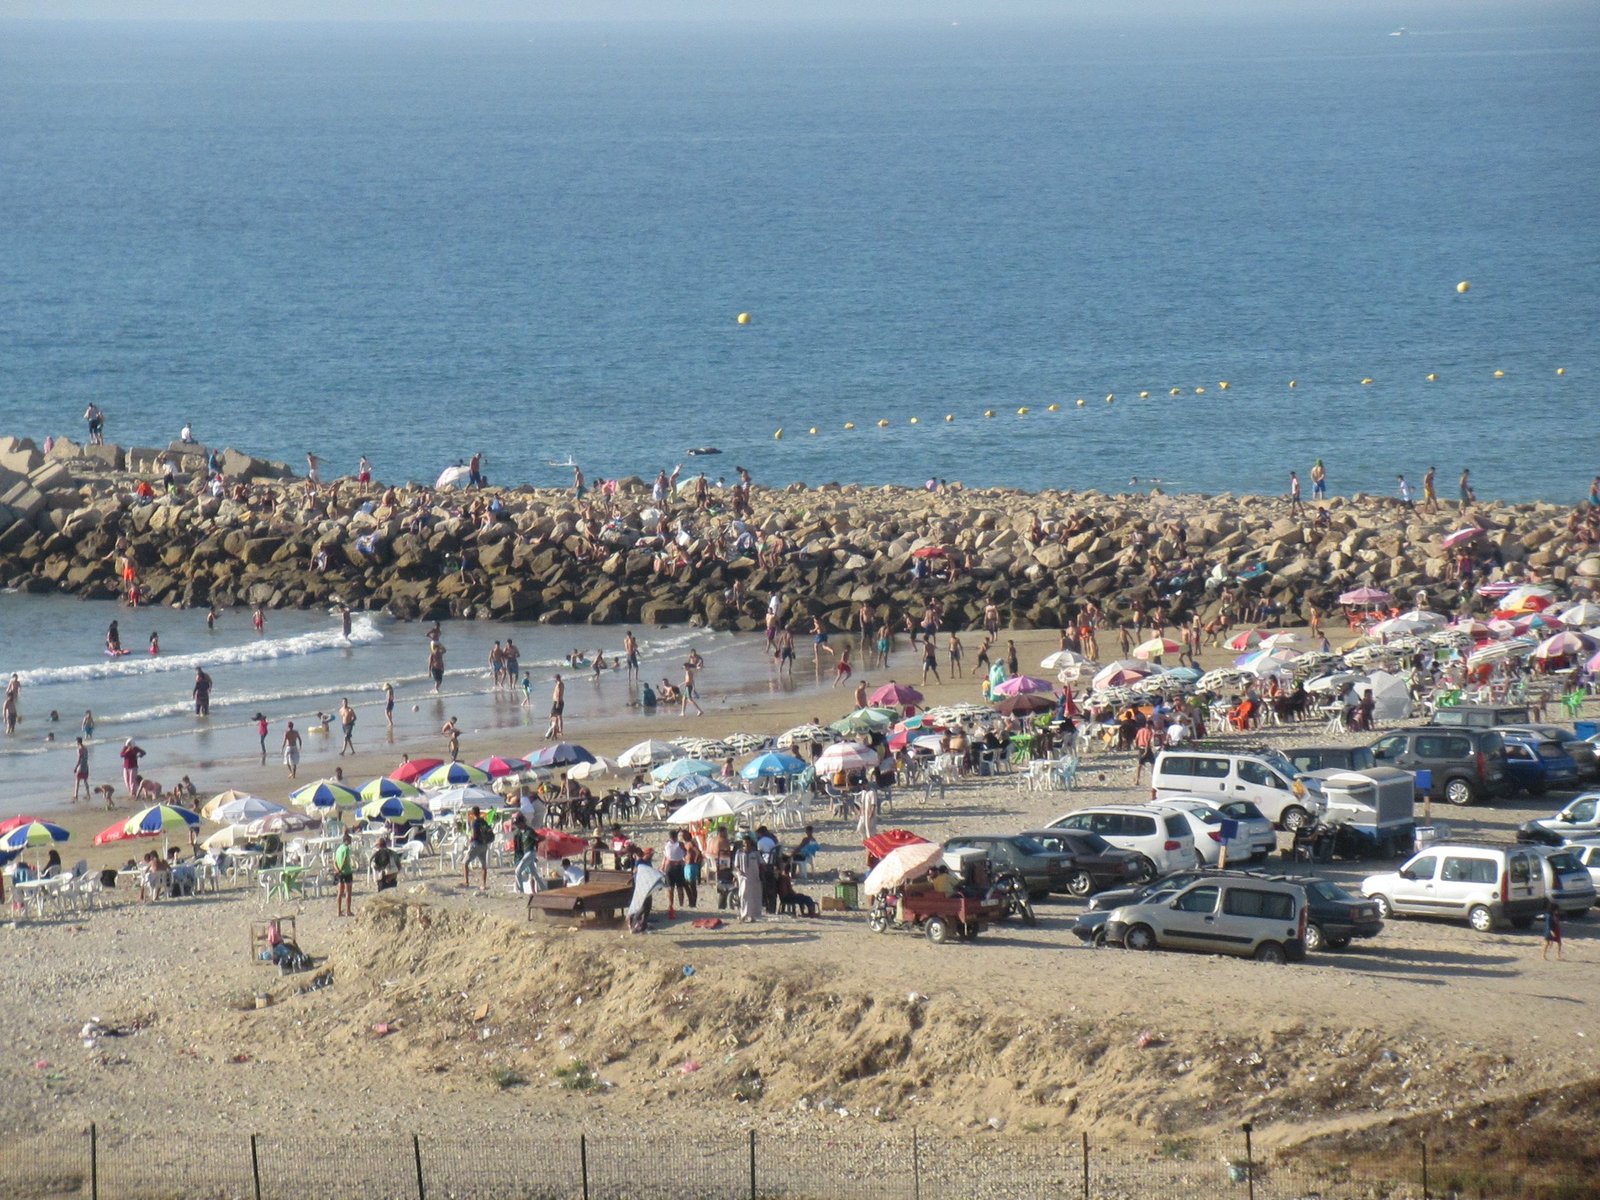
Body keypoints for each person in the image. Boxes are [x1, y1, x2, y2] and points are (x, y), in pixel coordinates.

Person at [734, 833, 763, 923]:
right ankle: (743, 915)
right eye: (744, 843)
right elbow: (736, 866)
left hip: (754, 877)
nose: (746, 845)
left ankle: (752, 916)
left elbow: (761, 864)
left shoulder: (755, 853)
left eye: (747, 843)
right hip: (743, 878)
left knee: (754, 896)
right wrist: (738, 873)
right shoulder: (739, 853)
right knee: (743, 895)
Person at [465, 805, 493, 891]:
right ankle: (483, 885)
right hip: (484, 844)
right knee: (483, 866)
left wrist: (470, 839)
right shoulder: (483, 821)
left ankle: (466, 882)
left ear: (472, 814)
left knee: (465, 863)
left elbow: (474, 835)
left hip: (476, 844)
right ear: (479, 812)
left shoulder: (474, 822)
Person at [332, 832, 354, 917]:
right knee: (348, 892)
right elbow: (345, 860)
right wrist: (341, 869)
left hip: (340, 872)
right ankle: (348, 911)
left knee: (340, 892)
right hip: (347, 871)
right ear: (346, 840)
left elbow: (334, 862)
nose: (351, 841)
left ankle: (338, 911)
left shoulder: (339, 848)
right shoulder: (346, 848)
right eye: (350, 840)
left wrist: (337, 870)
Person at [72, 736, 91, 802]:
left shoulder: (79, 749)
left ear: (78, 742)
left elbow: (79, 759)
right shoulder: (85, 748)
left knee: (77, 780)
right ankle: (88, 794)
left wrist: (76, 767)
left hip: (81, 766)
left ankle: (75, 795)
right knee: (85, 780)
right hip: (86, 765)